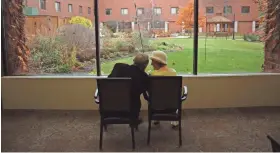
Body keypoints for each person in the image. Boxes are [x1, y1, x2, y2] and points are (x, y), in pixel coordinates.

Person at [108, 53, 149, 124]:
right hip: (130, 111)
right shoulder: (143, 77)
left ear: (133, 60)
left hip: (110, 108)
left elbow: (109, 80)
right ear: (146, 64)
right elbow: (146, 94)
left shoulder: (118, 67)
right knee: (135, 98)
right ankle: (134, 120)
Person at [149, 51, 179, 129]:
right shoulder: (173, 72)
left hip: (156, 106)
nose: (151, 64)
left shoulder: (153, 75)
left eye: (152, 61)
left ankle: (156, 118)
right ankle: (174, 118)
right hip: (172, 106)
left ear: (158, 62)